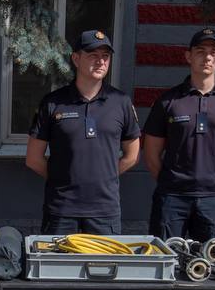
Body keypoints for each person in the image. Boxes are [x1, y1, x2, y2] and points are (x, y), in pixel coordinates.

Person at [142, 28, 215, 241]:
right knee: (166, 259)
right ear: (188, 56)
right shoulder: (168, 101)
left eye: (213, 52)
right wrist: (172, 182)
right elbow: (150, 154)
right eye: (200, 51)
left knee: (209, 265)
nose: (208, 57)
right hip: (172, 199)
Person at [26, 30, 140, 235]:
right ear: (76, 59)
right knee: (57, 267)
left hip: (105, 212)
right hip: (62, 211)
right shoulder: (53, 103)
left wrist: (104, 177)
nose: (100, 61)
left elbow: (132, 155)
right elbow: (33, 159)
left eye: (105, 56)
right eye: (93, 55)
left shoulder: (121, 102)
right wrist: (64, 179)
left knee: (103, 267)